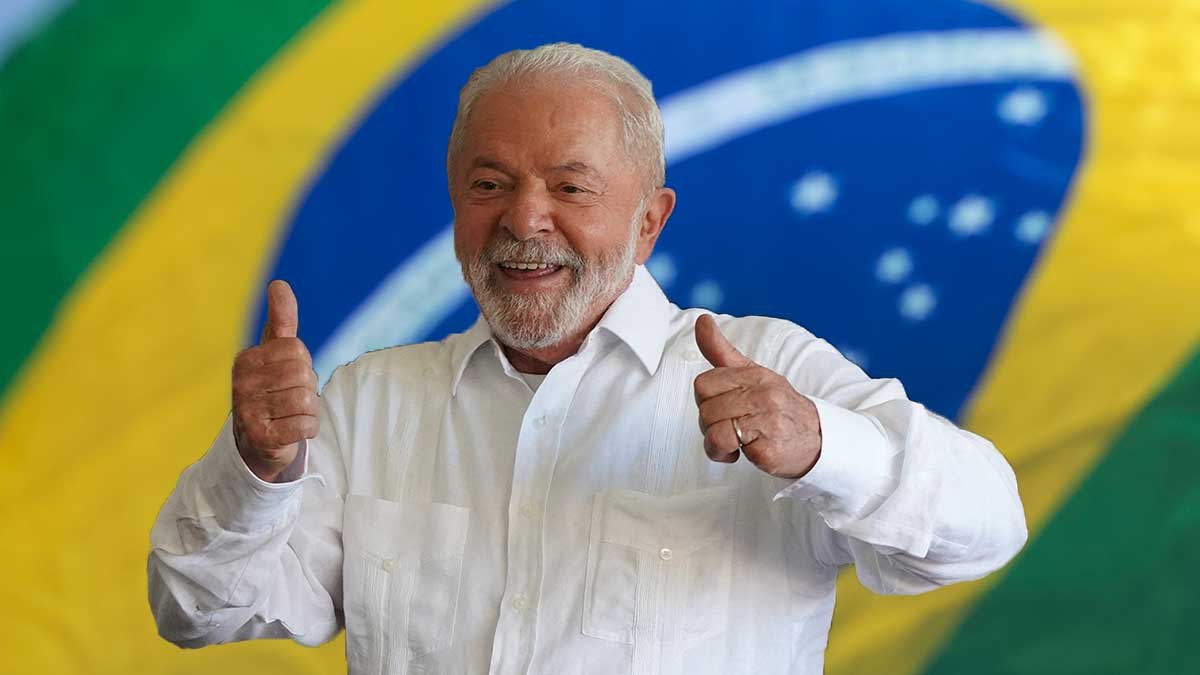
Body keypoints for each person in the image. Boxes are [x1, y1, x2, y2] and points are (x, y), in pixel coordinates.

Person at [148, 42, 1027, 674]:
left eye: (571, 187)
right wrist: (257, 469)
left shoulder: (768, 369)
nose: (524, 219)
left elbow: (987, 527)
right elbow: (195, 609)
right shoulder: (370, 400)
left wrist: (819, 444)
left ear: (649, 221)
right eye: (489, 184)